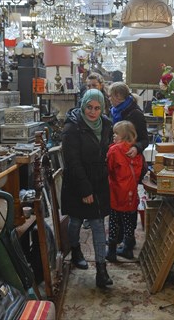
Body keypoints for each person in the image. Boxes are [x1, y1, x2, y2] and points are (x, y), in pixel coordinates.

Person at [60, 89, 113, 288]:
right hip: (77, 182)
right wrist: (85, 190)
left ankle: (101, 270)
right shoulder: (72, 128)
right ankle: (75, 250)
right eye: (89, 107)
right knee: (75, 222)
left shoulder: (107, 124)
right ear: (83, 105)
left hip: (99, 182)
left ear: (102, 108)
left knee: (98, 224)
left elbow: (107, 150)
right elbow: (72, 162)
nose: (93, 112)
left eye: (97, 108)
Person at [107, 82, 149, 259]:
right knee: (126, 209)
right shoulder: (115, 112)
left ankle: (124, 243)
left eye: (110, 96)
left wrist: (136, 148)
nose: (109, 99)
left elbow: (145, 139)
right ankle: (125, 241)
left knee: (121, 211)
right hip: (122, 167)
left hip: (128, 165)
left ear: (118, 96)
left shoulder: (135, 114)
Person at [106, 121, 143, 262]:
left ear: (124, 136)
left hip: (116, 190)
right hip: (131, 191)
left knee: (114, 220)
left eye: (116, 134)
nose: (113, 136)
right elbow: (139, 171)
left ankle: (111, 251)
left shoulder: (114, 150)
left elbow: (109, 169)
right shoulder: (136, 152)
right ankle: (128, 248)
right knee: (128, 220)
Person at [79, 73, 111, 230]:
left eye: (93, 85)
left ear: (101, 85)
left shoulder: (106, 112)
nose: (90, 88)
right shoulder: (78, 122)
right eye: (88, 86)